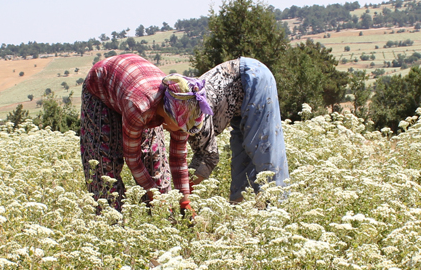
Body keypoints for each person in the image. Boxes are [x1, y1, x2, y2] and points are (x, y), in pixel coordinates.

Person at [79, 53, 209, 212]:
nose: (182, 133)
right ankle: (112, 224)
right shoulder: (140, 107)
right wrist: (152, 192)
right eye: (180, 128)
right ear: (168, 115)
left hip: (135, 86)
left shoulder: (184, 108)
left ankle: (162, 221)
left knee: (155, 165)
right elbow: (132, 159)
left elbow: (178, 157)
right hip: (102, 88)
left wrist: (184, 201)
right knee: (104, 168)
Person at [187, 57, 290, 202]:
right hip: (237, 102)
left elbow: (209, 157)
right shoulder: (180, 114)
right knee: (241, 160)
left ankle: (278, 204)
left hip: (253, 78)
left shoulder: (196, 117)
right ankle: (240, 212)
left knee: (263, 150)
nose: (164, 126)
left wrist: (184, 197)